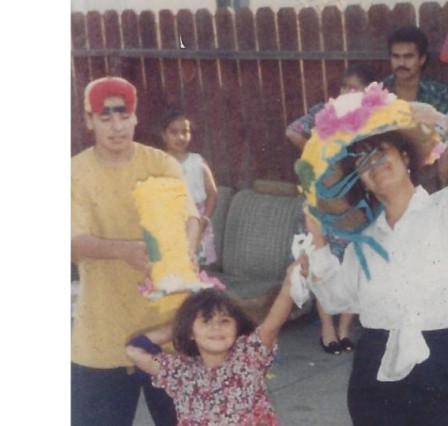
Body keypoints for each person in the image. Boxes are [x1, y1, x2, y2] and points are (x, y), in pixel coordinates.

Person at [295, 84, 448, 425]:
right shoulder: (362, 241)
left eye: (380, 151)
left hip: (445, 363)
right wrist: (317, 243)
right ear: (361, 182)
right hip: (375, 368)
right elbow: (336, 299)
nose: (373, 164)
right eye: (362, 162)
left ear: (405, 156)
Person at [71, 76, 201, 425]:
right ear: (89, 121)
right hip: (102, 339)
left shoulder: (161, 163)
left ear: (135, 117)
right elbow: (71, 240)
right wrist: (122, 250)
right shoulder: (74, 173)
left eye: (124, 115)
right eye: (105, 117)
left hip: (169, 333)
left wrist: (187, 248)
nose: (116, 126)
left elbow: (191, 218)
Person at [125, 263, 298, 425]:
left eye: (224, 321)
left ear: (236, 328)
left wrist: (290, 282)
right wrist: (182, 324)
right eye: (206, 321)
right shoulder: (179, 370)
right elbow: (135, 349)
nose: (216, 328)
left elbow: (273, 323)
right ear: (190, 332)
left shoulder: (248, 358)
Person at [286, 63, 375, 355]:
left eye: (356, 87)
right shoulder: (324, 113)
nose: (349, 92)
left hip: (355, 201)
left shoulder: (373, 119)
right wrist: (319, 153)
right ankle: (327, 328)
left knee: (353, 262)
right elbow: (293, 132)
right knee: (319, 260)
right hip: (321, 199)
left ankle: (345, 328)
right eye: (344, 87)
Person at [383, 25, 448, 191]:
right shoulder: (381, 92)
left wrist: (437, 163)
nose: (401, 63)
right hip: (390, 167)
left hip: (428, 167)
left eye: (408, 57)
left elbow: (444, 135)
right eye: (396, 56)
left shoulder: (437, 91)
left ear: (421, 59)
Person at [160, 109, 219, 270]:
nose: (180, 137)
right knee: (176, 266)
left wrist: (205, 218)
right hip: (172, 221)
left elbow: (212, 194)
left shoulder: (197, 161)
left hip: (199, 221)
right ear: (163, 135)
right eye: (173, 132)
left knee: (198, 266)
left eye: (185, 132)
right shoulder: (160, 163)